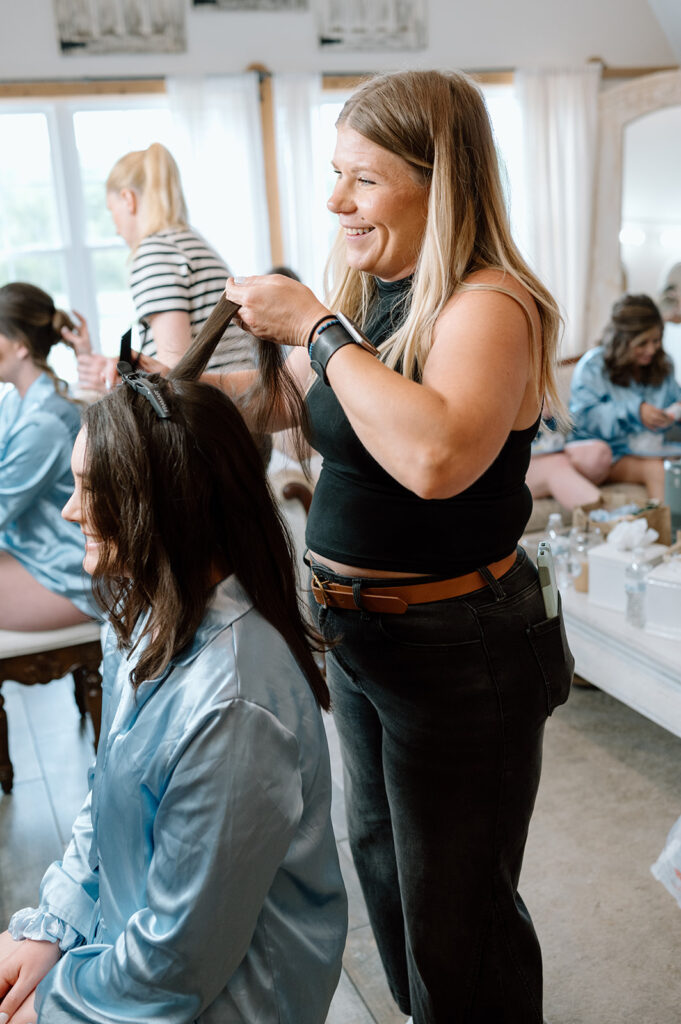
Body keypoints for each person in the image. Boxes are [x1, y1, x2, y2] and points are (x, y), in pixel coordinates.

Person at [179, 70, 574, 1024]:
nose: (334, 200)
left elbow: (435, 455)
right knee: (388, 876)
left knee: (457, 911)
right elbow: (318, 410)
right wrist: (198, 387)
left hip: (458, 648)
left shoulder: (491, 303)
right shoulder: (379, 288)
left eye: (361, 178)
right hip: (360, 638)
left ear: (439, 181)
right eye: (333, 175)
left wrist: (315, 325)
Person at [0, 321, 347, 1023]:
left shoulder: (233, 706)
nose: (70, 512)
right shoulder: (141, 615)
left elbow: (176, 964)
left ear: (159, 503)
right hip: (139, 948)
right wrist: (54, 926)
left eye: (87, 490)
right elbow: (105, 807)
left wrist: (54, 1003)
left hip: (229, 997)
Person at [72, 142, 255, 392]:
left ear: (128, 200)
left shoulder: (154, 253)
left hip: (215, 411)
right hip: (239, 401)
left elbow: (174, 371)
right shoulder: (191, 242)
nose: (115, 228)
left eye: (111, 211)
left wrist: (116, 380)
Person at [0, 282, 95, 630]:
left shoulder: (46, 422)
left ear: (20, 346)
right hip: (26, 545)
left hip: (64, 562)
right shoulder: (14, 402)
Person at [569, 293, 681, 500]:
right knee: (656, 470)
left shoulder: (663, 365)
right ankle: (671, 532)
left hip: (653, 449)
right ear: (621, 340)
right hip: (609, 455)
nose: (651, 349)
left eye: (656, 341)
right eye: (642, 343)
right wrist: (635, 411)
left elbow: (675, 401)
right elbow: (583, 418)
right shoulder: (593, 367)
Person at [526, 420, 612, 509]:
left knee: (598, 452)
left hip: (545, 447)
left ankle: (569, 484)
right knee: (557, 464)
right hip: (516, 465)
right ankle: (605, 517)